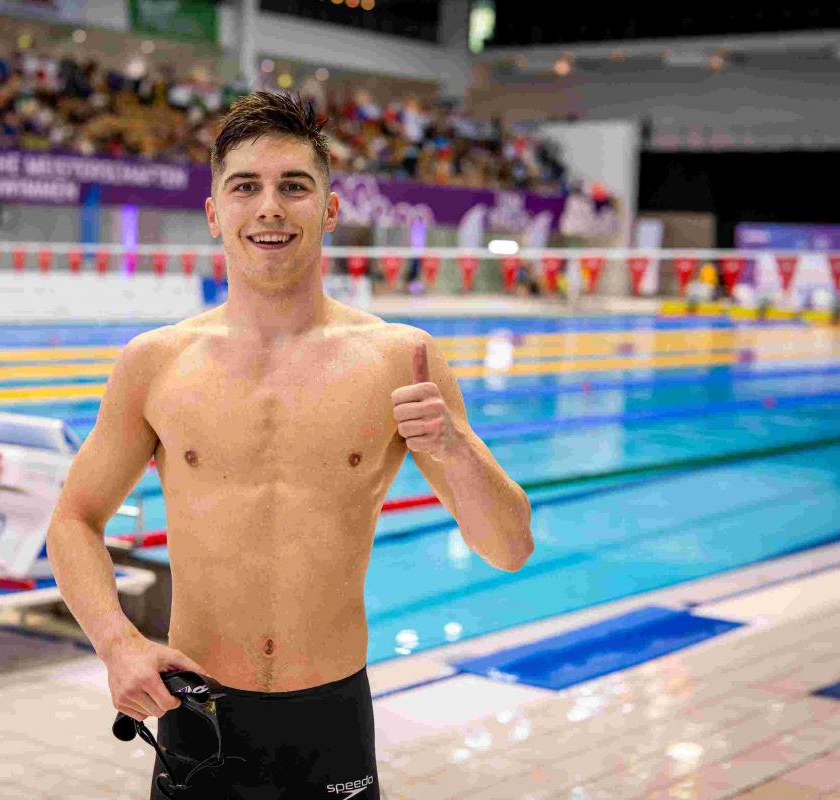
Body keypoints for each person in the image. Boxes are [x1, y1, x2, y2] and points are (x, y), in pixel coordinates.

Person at [46, 91, 533, 800]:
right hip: (195, 714)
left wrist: (457, 447)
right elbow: (72, 519)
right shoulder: (156, 364)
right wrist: (117, 643)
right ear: (216, 214)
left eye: (294, 186)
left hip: (329, 720)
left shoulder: (400, 360)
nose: (269, 207)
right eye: (246, 186)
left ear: (329, 211)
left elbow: (510, 548)